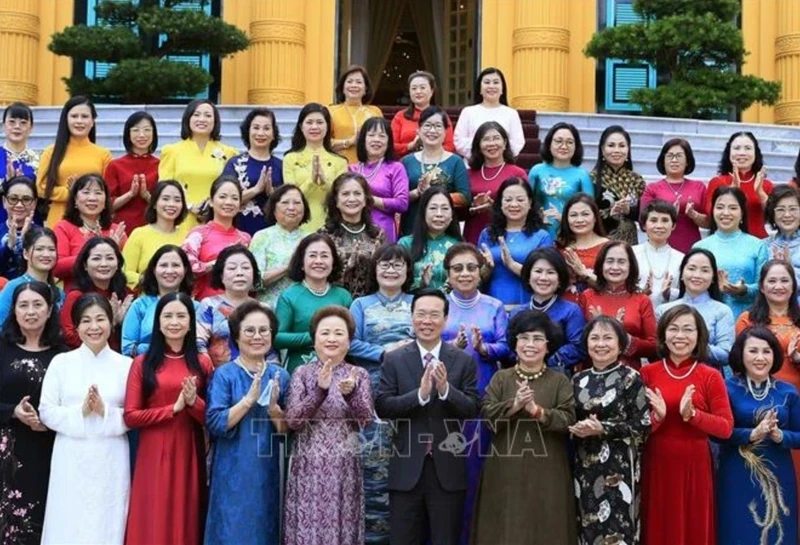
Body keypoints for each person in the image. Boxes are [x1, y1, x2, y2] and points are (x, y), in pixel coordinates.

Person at [375, 288, 479, 545]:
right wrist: (419, 395)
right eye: (421, 314)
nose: (427, 321)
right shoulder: (394, 359)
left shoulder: (463, 361)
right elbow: (383, 406)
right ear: (411, 318)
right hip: (406, 469)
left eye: (434, 315)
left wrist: (445, 390)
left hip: (447, 471)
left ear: (445, 319)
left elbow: (473, 408)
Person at [471, 310, 576, 544]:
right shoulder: (501, 378)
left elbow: (569, 419)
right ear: (514, 343)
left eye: (538, 339)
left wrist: (537, 411)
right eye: (524, 338)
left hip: (549, 466)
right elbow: (487, 414)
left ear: (548, 347)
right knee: (505, 525)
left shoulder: (559, 380)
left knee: (548, 522)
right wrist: (515, 404)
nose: (530, 344)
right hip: (505, 466)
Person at [39, 293, 133, 545]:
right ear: (76, 326)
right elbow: (46, 410)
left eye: (100, 319)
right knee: (68, 519)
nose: (93, 327)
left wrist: (105, 411)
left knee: (108, 518)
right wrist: (80, 412)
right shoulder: (61, 363)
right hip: (71, 454)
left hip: (110, 454)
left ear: (111, 322)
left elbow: (134, 415)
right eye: (86, 321)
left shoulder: (126, 365)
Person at [123, 292, 212, 545]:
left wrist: (194, 402)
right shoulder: (142, 363)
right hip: (152, 448)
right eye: (168, 315)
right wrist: (172, 409)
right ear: (158, 322)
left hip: (188, 448)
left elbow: (210, 418)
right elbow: (131, 416)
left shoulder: (202, 363)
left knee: (185, 512)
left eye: (181, 316)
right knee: (153, 511)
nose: (174, 321)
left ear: (190, 322)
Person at [640, 304, 734, 545]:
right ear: (663, 335)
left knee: (693, 528)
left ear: (699, 336)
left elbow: (725, 428)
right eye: (673, 329)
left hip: (695, 466)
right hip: (657, 462)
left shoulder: (709, 375)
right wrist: (657, 418)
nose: (680, 336)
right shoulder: (647, 373)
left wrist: (693, 415)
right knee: (659, 526)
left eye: (688, 330)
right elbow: (637, 428)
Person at [284, 306, 373, 545]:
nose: (331, 339)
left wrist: (352, 395)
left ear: (349, 340)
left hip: (345, 467)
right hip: (309, 466)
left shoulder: (359, 374)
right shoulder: (302, 373)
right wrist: (319, 391)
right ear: (314, 339)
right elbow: (292, 421)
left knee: (342, 527)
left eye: (338, 333)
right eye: (325, 333)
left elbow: (366, 421)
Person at [204, 301, 289, 545]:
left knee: (264, 527)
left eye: (264, 330)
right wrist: (248, 401)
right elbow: (216, 422)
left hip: (268, 468)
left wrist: (274, 410)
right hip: (232, 466)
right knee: (230, 525)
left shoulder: (280, 375)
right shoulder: (225, 374)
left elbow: (287, 429)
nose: (257, 336)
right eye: (249, 330)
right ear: (237, 335)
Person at [440, 243, 508, 542]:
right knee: (444, 469)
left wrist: (484, 348)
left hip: (483, 393)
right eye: (458, 268)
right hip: (443, 395)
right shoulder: (437, 305)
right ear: (448, 274)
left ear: (481, 271)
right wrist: (449, 350)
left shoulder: (495, 306)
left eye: (471, 267)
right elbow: (422, 347)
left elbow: (508, 348)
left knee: (476, 470)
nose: (465, 273)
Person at [348, 244, 415, 544]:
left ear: (407, 271)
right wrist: (386, 352)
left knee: (409, 468)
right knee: (373, 470)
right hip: (371, 396)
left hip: (412, 394)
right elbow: (350, 344)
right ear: (374, 270)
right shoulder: (360, 305)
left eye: (398, 264)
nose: (391, 270)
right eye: (385, 265)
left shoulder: (417, 302)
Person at [717, 326, 800, 545]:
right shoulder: (726, 388)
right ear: (740, 354)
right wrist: (751, 434)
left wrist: (781, 436)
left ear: (775, 355)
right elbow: (716, 433)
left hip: (778, 471)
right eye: (753, 351)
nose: (760, 358)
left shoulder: (787, 391)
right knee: (738, 527)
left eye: (767, 351)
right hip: (736, 470)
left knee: (779, 529)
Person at [572, 315, 650, 545]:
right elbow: (569, 417)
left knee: (618, 527)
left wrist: (603, 428)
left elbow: (643, 424)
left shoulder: (630, 378)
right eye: (594, 338)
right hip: (585, 464)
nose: (601, 344)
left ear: (620, 344)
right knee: (588, 524)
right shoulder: (578, 379)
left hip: (619, 464)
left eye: (608, 338)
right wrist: (576, 427)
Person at [0, 281, 64, 545]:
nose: (30, 311)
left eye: (38, 305)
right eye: (23, 305)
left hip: (45, 450)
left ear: (50, 310)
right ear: (13, 310)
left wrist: (48, 423)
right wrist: (13, 411)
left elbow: (68, 407)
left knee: (39, 523)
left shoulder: (63, 355)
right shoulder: (2, 348)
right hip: (6, 451)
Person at [274, 233, 353, 373]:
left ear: (333, 262)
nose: (318, 261)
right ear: (302, 264)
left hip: (339, 368)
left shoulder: (344, 296)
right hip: (300, 368)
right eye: (312, 255)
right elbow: (277, 338)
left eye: (324, 256)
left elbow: (353, 336)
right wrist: (314, 337)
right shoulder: (289, 296)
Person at [158, 99, 238, 228]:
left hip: (216, 219)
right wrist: (189, 206)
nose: (202, 119)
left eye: (208, 115)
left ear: (215, 121)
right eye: (196, 115)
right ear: (188, 118)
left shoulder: (229, 153)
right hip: (180, 219)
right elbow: (164, 190)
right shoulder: (172, 151)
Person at [579, 241, 658, 368]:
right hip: (592, 372)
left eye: (621, 262)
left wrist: (623, 337)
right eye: (610, 261)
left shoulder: (642, 300)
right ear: (601, 264)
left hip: (629, 374)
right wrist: (598, 329)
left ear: (630, 266)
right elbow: (577, 340)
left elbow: (654, 346)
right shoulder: (587, 296)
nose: (615, 267)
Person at [694, 186, 769, 317]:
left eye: (733, 208)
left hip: (747, 319)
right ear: (713, 211)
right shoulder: (699, 247)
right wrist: (713, 288)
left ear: (742, 214)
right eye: (720, 207)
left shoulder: (757, 246)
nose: (726, 213)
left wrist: (743, 290)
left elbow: (764, 286)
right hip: (707, 317)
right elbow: (692, 287)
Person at [36, 96, 112, 227]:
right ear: (66, 120)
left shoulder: (103, 154)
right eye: (74, 116)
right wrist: (71, 193)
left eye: (84, 116)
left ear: (93, 121)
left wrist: (82, 194)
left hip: (92, 221)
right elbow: (41, 187)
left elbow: (108, 190)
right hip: (58, 219)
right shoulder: (51, 152)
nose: (79, 121)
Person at [478, 176, 553, 305]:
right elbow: (476, 277)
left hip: (528, 309)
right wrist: (487, 268)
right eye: (508, 200)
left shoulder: (542, 236)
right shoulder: (487, 234)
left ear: (530, 203)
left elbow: (546, 278)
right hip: (491, 307)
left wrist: (512, 265)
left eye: (520, 200)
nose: (514, 204)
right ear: (500, 203)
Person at [656, 249, 735, 371]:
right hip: (669, 376)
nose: (697, 275)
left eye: (704, 270)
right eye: (691, 268)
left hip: (708, 381)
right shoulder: (663, 310)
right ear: (682, 274)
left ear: (713, 277)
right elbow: (657, 349)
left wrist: (693, 344)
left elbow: (726, 355)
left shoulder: (722, 311)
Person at [400, 105, 470, 236]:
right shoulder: (406, 162)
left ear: (445, 132)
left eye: (438, 126)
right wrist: (417, 192)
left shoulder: (455, 161)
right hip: (412, 227)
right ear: (419, 131)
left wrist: (436, 197)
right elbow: (399, 198)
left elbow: (465, 197)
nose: (432, 130)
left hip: (445, 229)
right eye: (427, 125)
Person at [513, 247, 587, 371]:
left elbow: (579, 347)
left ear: (560, 279)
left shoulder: (570, 311)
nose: (543, 278)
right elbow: (510, 347)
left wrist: (547, 360)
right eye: (538, 271)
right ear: (528, 277)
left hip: (557, 379)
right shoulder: (517, 313)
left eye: (551, 272)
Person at [181, 175, 252, 300]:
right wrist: (220, 260)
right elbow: (186, 268)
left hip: (239, 310)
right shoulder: (198, 234)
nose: (229, 202)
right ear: (211, 202)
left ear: (240, 204)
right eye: (223, 197)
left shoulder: (245, 238)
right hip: (205, 308)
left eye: (234, 198)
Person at [52, 173, 127, 290]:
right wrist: (91, 253)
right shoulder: (63, 227)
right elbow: (57, 267)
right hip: (77, 295)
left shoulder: (116, 231)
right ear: (75, 200)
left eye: (98, 193)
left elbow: (126, 268)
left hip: (111, 294)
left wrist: (114, 253)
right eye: (86, 192)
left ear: (105, 201)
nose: (92, 198)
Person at [282, 102, 348, 233]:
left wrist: (325, 182)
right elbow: (291, 198)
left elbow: (342, 198)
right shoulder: (290, 158)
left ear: (328, 126)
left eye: (319, 122)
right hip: (298, 226)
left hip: (331, 226)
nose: (314, 127)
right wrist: (311, 181)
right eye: (309, 122)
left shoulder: (340, 161)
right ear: (301, 126)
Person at [319, 172, 386, 299]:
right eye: (345, 194)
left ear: (365, 200)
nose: (351, 199)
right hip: (335, 302)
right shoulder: (325, 235)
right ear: (336, 201)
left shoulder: (378, 234)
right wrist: (348, 267)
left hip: (371, 303)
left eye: (357, 193)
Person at [60, 237, 132, 351]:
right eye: (96, 258)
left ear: (118, 263)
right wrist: (108, 325)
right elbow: (68, 335)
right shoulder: (76, 296)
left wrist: (121, 324)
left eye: (110, 258)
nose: (104, 264)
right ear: (85, 265)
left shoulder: (125, 294)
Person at [121, 245, 194, 357]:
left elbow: (200, 345)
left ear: (185, 270)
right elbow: (127, 348)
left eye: (175, 265)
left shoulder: (196, 307)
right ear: (154, 270)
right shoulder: (140, 306)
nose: (169, 271)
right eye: (163, 265)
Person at [222, 108, 284, 236]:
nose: (260, 133)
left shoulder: (281, 166)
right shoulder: (234, 163)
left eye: (266, 128)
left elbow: (288, 202)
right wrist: (256, 190)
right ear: (248, 131)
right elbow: (224, 199)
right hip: (239, 230)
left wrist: (272, 193)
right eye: (256, 128)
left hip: (272, 234)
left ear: (273, 134)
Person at [463, 121, 527, 244]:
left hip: (507, 235)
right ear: (479, 145)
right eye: (486, 139)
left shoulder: (517, 173)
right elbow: (458, 212)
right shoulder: (467, 174)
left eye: (496, 138)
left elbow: (527, 207)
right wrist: (473, 206)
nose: (492, 144)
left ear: (505, 143)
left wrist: (494, 207)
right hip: (474, 232)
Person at [196, 245, 260, 367]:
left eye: (246, 268)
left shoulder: (263, 309)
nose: (239, 273)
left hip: (256, 376)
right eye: (232, 268)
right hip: (218, 376)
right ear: (221, 275)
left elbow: (271, 351)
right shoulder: (209, 305)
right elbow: (198, 343)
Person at [639, 138, 707, 253]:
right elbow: (643, 222)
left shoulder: (699, 187)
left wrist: (694, 215)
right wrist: (669, 213)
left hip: (690, 246)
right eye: (670, 156)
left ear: (687, 161)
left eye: (679, 156)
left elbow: (709, 223)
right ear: (663, 160)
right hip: (660, 246)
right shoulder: (652, 188)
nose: (674, 160)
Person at [528, 122, 593, 238]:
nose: (564, 146)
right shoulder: (537, 171)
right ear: (549, 144)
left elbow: (590, 211)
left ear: (576, 146)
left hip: (571, 236)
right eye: (558, 141)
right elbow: (526, 203)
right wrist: (538, 216)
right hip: (539, 234)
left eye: (569, 142)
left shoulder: (582, 175)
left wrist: (563, 219)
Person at [349, 116, 409, 243]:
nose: (376, 140)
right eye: (371, 135)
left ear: (389, 142)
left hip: (383, 231)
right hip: (353, 231)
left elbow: (402, 203)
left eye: (382, 136)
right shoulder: (351, 169)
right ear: (363, 140)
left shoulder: (396, 168)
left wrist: (369, 200)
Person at [122, 180, 191, 288]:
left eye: (177, 200)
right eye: (165, 199)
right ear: (154, 203)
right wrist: (151, 280)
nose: (171, 204)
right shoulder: (139, 234)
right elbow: (125, 271)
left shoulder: (188, 236)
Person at [250, 184, 309, 308]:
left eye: (297, 203)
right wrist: (288, 267)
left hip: (303, 307)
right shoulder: (262, 237)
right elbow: (253, 282)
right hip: (269, 309)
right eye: (285, 202)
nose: (292, 207)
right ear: (274, 207)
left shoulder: (311, 238)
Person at [705, 131, 773, 238]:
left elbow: (774, 216)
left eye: (748, 148)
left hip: (758, 242)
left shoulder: (765, 185)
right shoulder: (717, 182)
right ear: (729, 153)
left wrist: (760, 193)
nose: (742, 153)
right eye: (737, 148)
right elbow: (710, 214)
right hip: (726, 241)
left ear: (755, 153)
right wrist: (732, 192)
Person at [398, 186, 463, 291]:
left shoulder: (459, 246)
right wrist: (420, 283)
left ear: (452, 215)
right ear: (423, 213)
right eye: (433, 208)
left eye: (445, 209)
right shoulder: (405, 244)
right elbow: (395, 282)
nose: (439, 214)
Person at [105, 111, 159, 235]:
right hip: (122, 229)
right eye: (136, 130)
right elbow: (106, 205)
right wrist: (130, 194)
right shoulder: (115, 165)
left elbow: (165, 204)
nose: (141, 135)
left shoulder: (161, 165)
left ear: (154, 134)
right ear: (128, 134)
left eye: (147, 130)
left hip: (153, 227)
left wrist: (146, 196)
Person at [454, 67, 525, 159]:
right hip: (473, 166)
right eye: (487, 82)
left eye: (496, 82)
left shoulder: (511, 113)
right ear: (480, 89)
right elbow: (459, 141)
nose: (491, 86)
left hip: (502, 166)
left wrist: (496, 157)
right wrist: (481, 153)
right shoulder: (468, 112)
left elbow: (517, 142)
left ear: (502, 89)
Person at [591, 125, 645, 245]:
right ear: (602, 149)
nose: (616, 150)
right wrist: (610, 213)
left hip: (630, 243)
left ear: (628, 149)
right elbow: (588, 214)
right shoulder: (592, 179)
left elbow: (644, 215)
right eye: (611, 145)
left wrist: (628, 211)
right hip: (602, 241)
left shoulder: (636, 180)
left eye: (622, 146)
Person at [0, 227, 63, 327]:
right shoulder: (12, 287)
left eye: (51, 249)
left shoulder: (59, 293)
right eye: (39, 249)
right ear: (25, 254)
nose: (46, 254)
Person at [556, 193, 609, 301]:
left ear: (595, 217)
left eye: (585, 214)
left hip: (597, 312)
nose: (579, 220)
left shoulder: (609, 247)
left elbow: (614, 287)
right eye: (573, 215)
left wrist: (584, 273)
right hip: (564, 313)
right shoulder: (559, 247)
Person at [391, 70, 456, 157]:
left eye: (422, 88)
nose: (418, 91)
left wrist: (430, 150)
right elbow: (391, 145)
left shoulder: (441, 116)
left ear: (432, 91)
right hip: (405, 163)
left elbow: (450, 146)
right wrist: (410, 146)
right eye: (414, 88)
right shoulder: (400, 116)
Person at [328, 65, 383, 164]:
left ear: (365, 88)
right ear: (343, 87)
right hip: (339, 166)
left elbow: (383, 140)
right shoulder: (331, 111)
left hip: (369, 167)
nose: (354, 85)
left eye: (358, 82)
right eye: (349, 81)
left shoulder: (375, 112)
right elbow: (322, 142)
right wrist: (349, 142)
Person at [633, 200, 684, 307]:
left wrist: (669, 293)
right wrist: (641, 291)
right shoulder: (631, 253)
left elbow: (687, 294)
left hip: (670, 316)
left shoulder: (681, 258)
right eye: (653, 220)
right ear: (644, 225)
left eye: (665, 220)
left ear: (673, 225)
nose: (659, 225)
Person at [0, 175, 41, 279]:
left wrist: (26, 242)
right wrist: (8, 247)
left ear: (34, 203)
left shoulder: (43, 234)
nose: (19, 205)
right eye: (13, 199)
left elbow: (44, 270)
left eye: (26, 199)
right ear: (4, 201)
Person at [1, 102, 38, 191]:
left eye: (23, 123)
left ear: (31, 128)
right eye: (12, 122)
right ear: (3, 126)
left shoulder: (38, 159)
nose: (17, 126)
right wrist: (6, 183)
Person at [766, 184, 800, 282]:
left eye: (793, 209)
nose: (787, 215)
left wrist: (789, 270)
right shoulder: (764, 246)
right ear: (772, 214)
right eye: (780, 209)